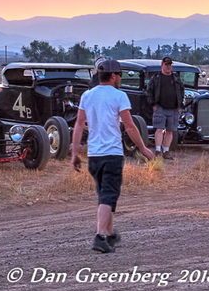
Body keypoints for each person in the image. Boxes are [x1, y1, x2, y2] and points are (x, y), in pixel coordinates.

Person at [71, 59, 154, 254]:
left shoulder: (87, 95)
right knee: (108, 195)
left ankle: (109, 233)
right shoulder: (120, 96)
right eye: (120, 76)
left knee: (104, 195)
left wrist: (75, 153)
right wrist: (143, 148)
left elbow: (78, 125)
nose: (121, 79)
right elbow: (130, 125)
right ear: (115, 76)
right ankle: (100, 236)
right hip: (112, 153)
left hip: (94, 155)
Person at [145, 56, 184, 160]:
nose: (168, 67)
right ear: (162, 65)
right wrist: (153, 105)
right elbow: (149, 92)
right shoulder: (156, 78)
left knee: (170, 131)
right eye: (166, 64)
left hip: (173, 108)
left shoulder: (176, 78)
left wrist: (180, 106)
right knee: (159, 129)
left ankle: (166, 151)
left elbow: (181, 92)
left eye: (170, 65)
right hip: (160, 107)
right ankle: (158, 150)